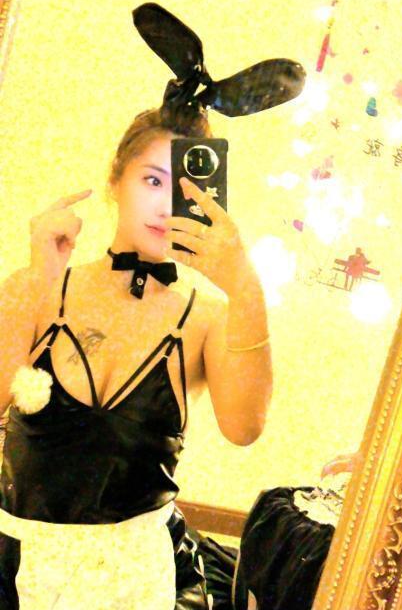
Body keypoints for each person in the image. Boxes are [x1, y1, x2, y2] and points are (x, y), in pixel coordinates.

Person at [0, 99, 273, 609]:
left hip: (142, 577)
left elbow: (245, 427)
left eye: (185, 191)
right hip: (21, 571)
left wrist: (245, 284)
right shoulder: (40, 286)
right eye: (152, 180)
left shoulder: (208, 319)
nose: (167, 206)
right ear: (116, 181)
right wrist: (36, 281)